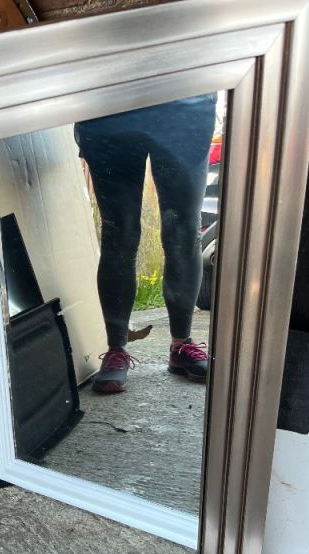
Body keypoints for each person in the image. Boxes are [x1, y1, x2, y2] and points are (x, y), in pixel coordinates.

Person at [75, 94, 218, 394]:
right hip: (111, 105)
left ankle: (181, 345)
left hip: (185, 103)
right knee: (118, 231)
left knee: (184, 231)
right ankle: (116, 349)